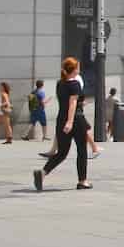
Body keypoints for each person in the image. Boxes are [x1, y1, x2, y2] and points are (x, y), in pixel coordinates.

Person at [32, 55, 89, 191]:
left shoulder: (60, 84)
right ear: (74, 69)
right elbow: (72, 103)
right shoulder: (74, 84)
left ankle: (43, 172)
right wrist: (70, 122)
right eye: (78, 67)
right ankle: (82, 181)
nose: (79, 69)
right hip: (75, 120)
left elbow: (66, 102)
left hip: (60, 119)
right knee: (82, 150)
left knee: (61, 152)